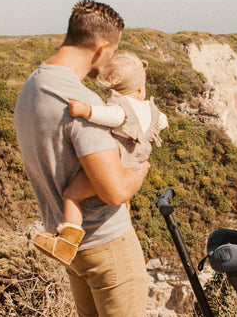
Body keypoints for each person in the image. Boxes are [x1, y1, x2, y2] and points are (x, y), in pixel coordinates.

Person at [13, 0, 148, 317]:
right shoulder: (78, 105)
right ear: (103, 47)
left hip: (67, 236)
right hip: (105, 239)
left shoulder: (33, 87)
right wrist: (141, 172)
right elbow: (113, 189)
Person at [32, 50, 169, 265]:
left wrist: (86, 110)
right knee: (123, 202)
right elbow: (162, 120)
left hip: (115, 166)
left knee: (72, 194)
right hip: (134, 165)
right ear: (141, 89)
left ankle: (66, 244)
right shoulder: (152, 110)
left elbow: (112, 117)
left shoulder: (120, 108)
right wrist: (163, 123)